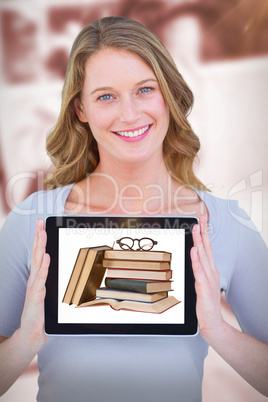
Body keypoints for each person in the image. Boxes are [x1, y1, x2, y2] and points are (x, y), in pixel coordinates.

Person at [0, 16, 267, 402]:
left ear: (168, 96)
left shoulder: (225, 222)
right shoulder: (33, 220)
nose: (129, 114)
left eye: (144, 90)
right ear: (80, 109)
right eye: (106, 96)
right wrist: (25, 342)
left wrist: (219, 332)